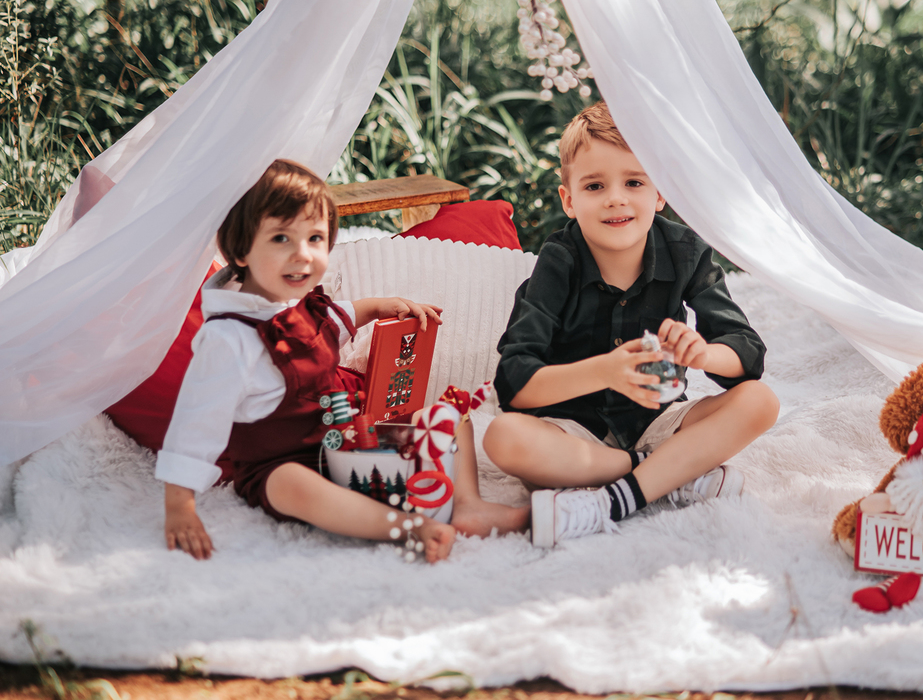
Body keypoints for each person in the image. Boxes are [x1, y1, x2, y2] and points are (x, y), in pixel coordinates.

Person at [156, 159, 528, 562]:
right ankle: (404, 527)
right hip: (282, 462)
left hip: (350, 439)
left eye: (315, 238)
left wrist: (385, 306)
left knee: (450, 413)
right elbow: (195, 424)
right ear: (240, 250)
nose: (303, 255)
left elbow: (340, 317)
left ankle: (469, 503)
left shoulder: (302, 304)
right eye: (281, 238)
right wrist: (180, 506)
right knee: (293, 486)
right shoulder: (227, 337)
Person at [485, 103, 780, 547]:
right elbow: (513, 383)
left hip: (661, 420)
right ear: (569, 200)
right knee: (503, 437)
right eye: (595, 185)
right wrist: (604, 371)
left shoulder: (686, 252)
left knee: (760, 401)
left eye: (634, 182)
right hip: (574, 433)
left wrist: (702, 353)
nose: (616, 198)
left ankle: (614, 501)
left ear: (659, 192)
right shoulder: (558, 262)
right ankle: (661, 473)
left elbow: (747, 352)